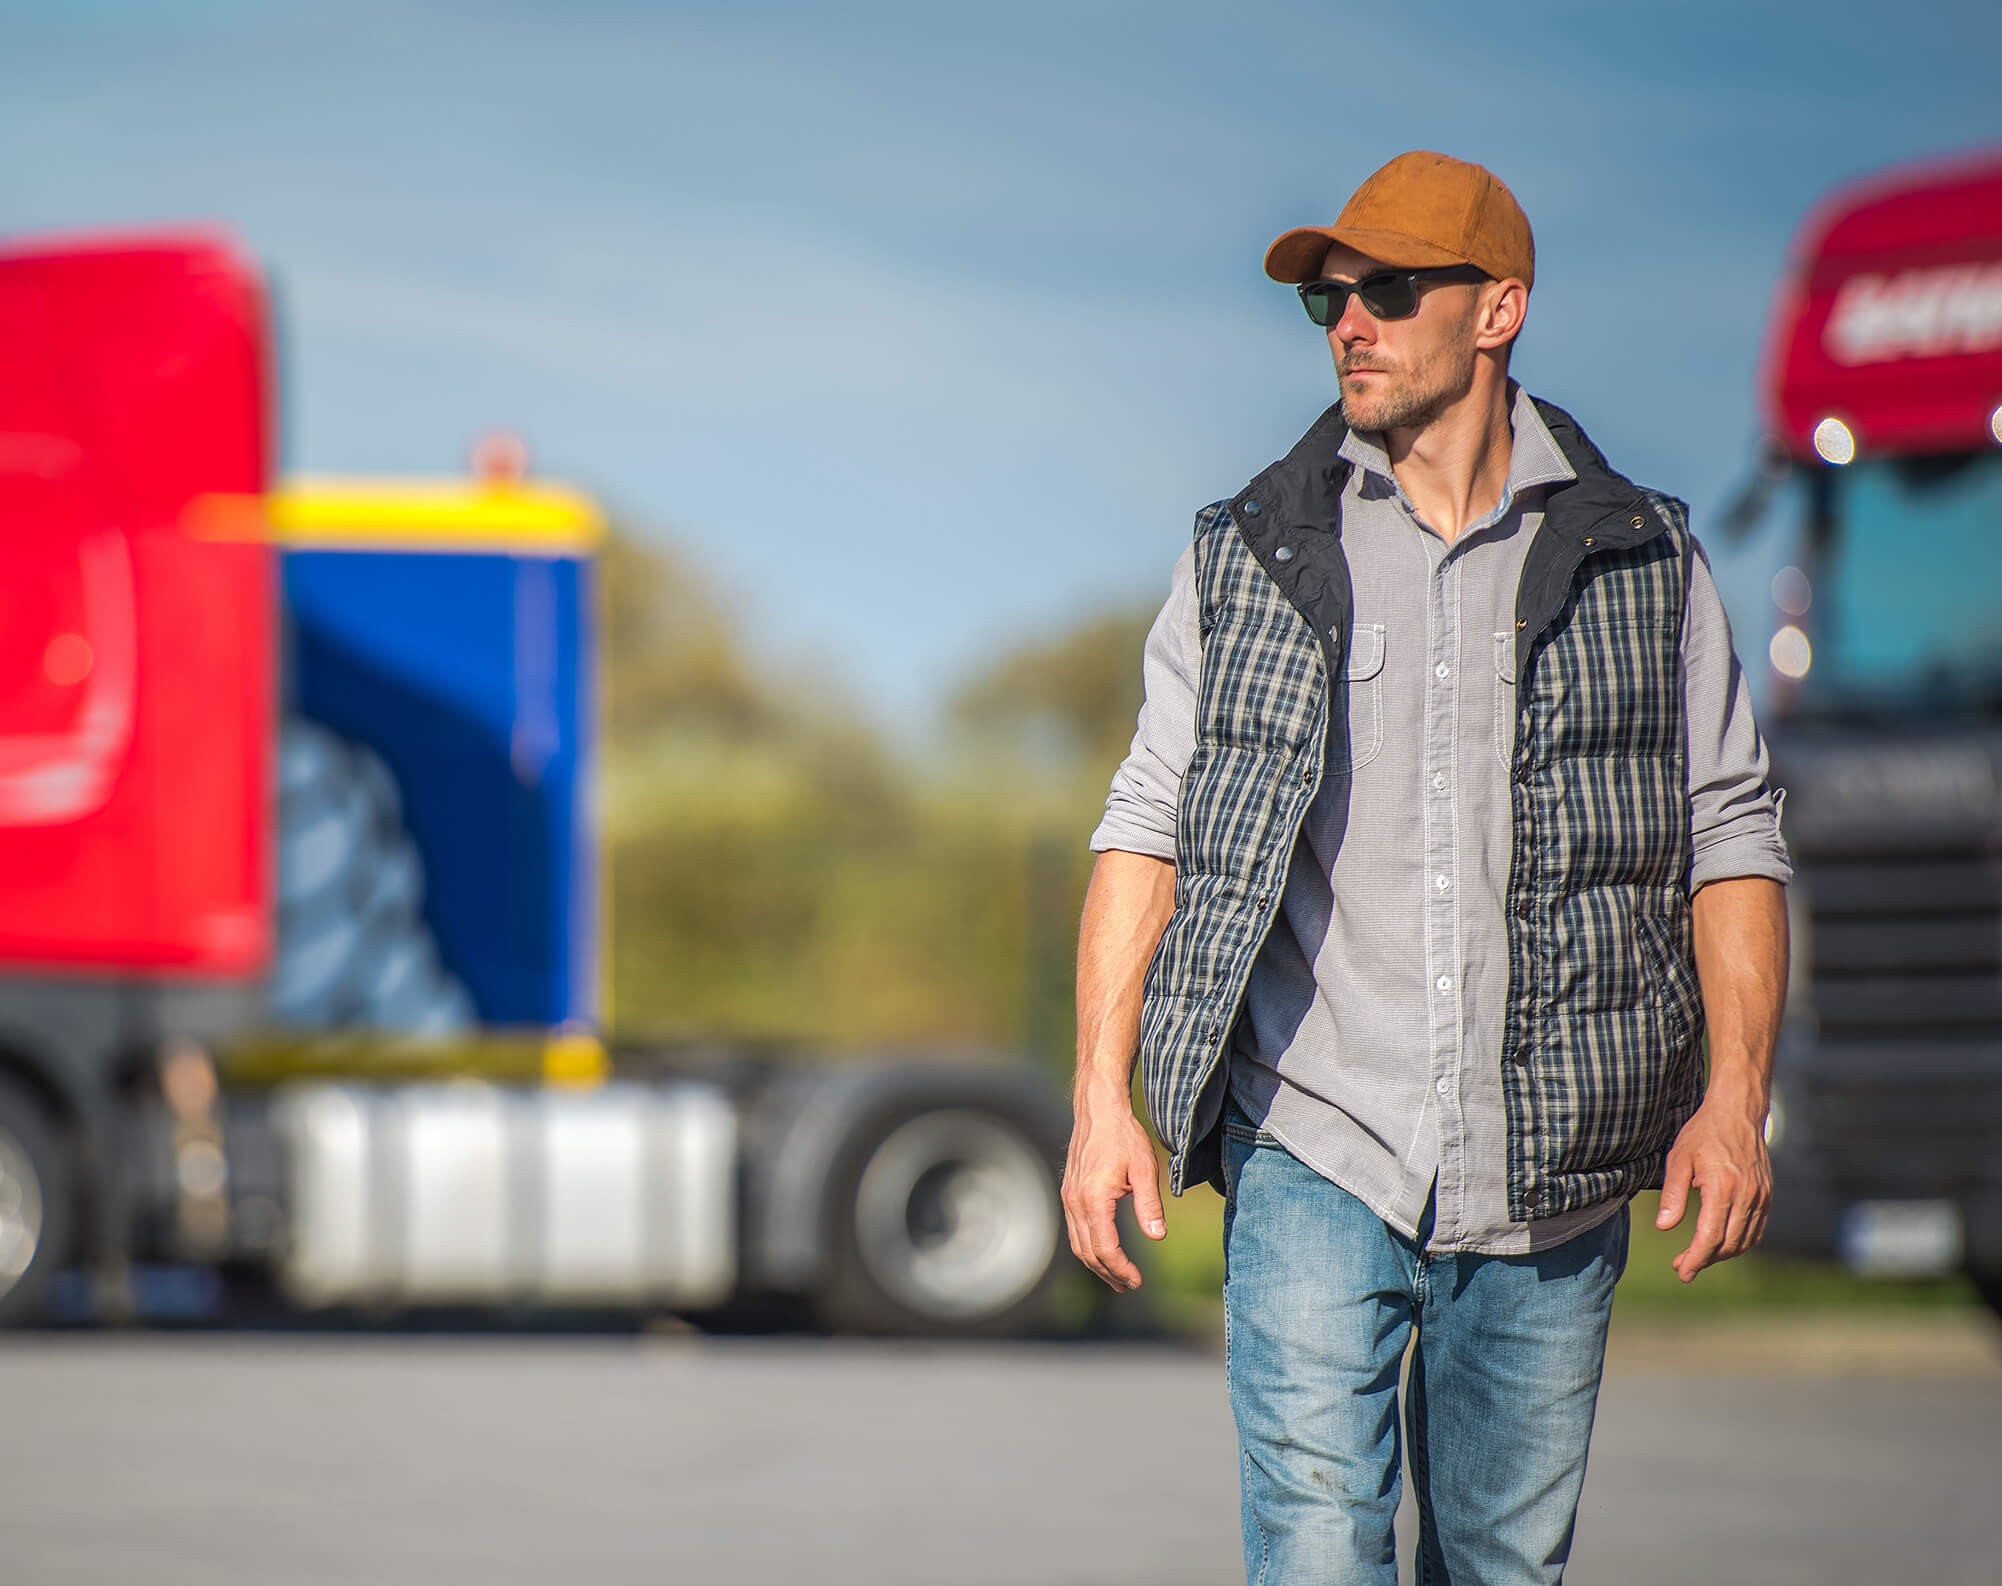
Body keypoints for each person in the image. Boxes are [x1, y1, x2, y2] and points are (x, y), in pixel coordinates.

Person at [1062, 150, 1791, 1585]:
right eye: (1329, 298)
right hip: (1314, 1144)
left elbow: (1731, 836)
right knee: (1318, 1558)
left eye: (1389, 291)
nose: (1350, 321)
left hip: (1554, 1174)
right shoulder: (1249, 553)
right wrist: (1100, 1098)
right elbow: (1147, 820)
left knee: (1499, 1573)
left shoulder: (1638, 558)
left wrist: (1733, 1098)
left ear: (1498, 309)